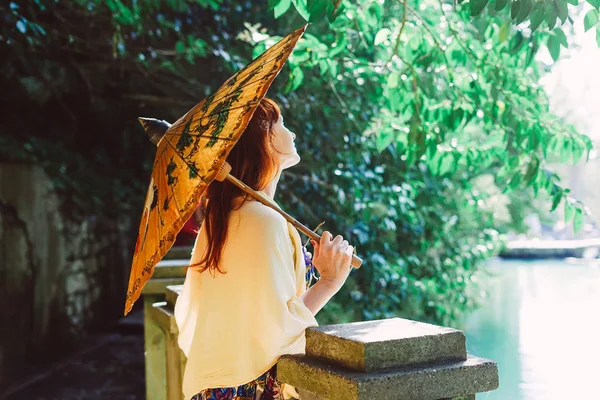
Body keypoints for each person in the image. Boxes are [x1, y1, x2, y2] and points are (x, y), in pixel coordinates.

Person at [174, 98, 354, 400]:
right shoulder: (262, 220)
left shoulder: (228, 214)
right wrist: (329, 283)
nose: (291, 133)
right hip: (246, 388)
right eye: (280, 123)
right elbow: (276, 330)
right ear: (263, 139)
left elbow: (265, 315)